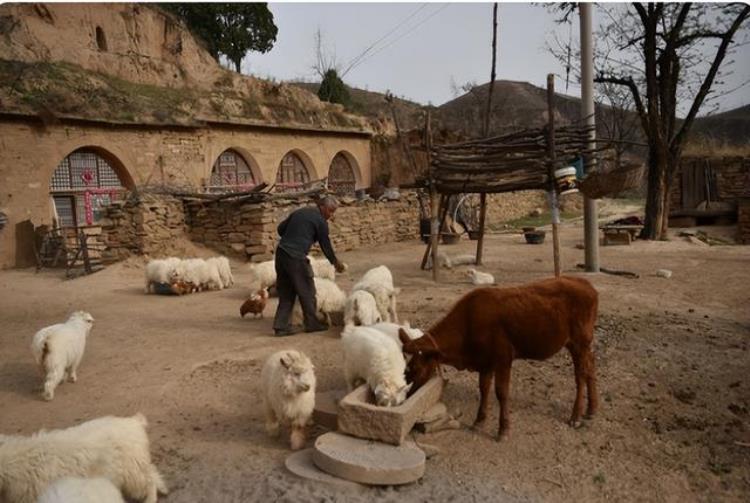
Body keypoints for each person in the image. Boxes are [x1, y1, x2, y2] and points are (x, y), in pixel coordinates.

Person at [272, 195, 346, 336]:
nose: (330, 215)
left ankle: (280, 326)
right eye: (330, 211)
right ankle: (312, 323)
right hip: (296, 256)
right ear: (322, 207)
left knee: (286, 292)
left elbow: (280, 229)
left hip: (281, 254)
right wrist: (336, 263)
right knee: (307, 290)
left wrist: (294, 234)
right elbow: (325, 245)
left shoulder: (300, 212)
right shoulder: (320, 221)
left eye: (333, 212)